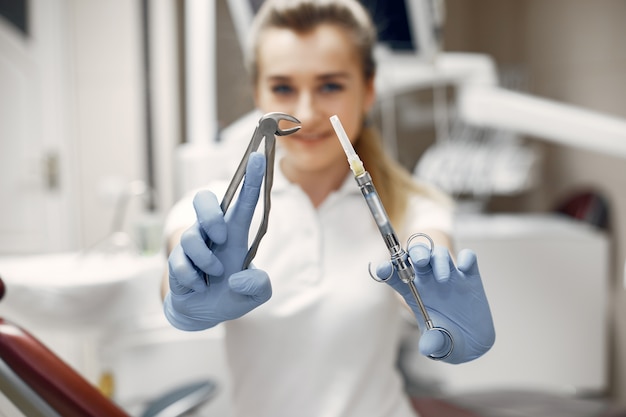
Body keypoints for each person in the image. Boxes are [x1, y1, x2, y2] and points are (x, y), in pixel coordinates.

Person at [161, 0, 495, 416]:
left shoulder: (411, 208)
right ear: (258, 93)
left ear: (369, 90)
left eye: (330, 86)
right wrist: (182, 302)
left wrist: (446, 324)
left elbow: (431, 244)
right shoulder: (216, 211)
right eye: (283, 87)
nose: (306, 112)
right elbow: (176, 264)